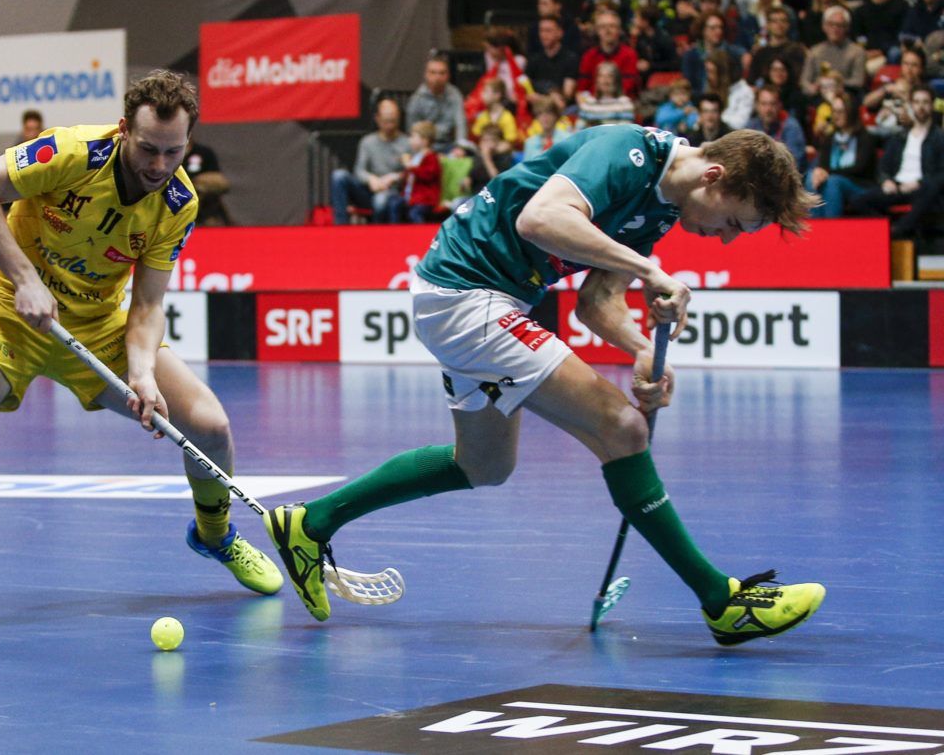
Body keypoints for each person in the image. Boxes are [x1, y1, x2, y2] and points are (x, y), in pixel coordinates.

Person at [263, 124, 827, 649]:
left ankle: (310, 523)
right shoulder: (627, 153)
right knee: (622, 426)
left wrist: (641, 351)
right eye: (735, 222)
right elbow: (541, 219)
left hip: (481, 299)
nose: (727, 240)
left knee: (483, 465)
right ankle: (721, 602)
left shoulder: (663, 209)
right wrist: (652, 272)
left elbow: (597, 302)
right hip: (468, 294)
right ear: (714, 178)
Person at [0, 70, 283, 631]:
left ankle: (213, 534)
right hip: (8, 312)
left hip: (94, 328)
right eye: (147, 149)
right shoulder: (70, 153)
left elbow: (145, 306)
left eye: (173, 151)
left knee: (210, 424)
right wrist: (23, 276)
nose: (159, 165)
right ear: (123, 131)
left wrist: (142, 373)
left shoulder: (177, 201)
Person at [849, 85, 944, 237]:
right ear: (911, 105)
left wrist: (918, 183)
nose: (921, 107)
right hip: (897, 186)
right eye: (917, 102)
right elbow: (884, 166)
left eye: (925, 102)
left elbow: (941, 174)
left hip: (922, 189)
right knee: (858, 200)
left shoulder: (939, 138)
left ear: (932, 105)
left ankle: (898, 230)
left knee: (931, 189)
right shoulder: (899, 137)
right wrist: (886, 180)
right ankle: (889, 228)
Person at [330, 98, 411, 224]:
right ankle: (340, 228)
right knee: (338, 176)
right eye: (386, 121)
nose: (390, 126)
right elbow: (359, 170)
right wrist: (370, 179)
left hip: (392, 192)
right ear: (377, 118)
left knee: (380, 201)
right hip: (368, 190)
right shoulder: (368, 142)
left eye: (393, 121)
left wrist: (395, 177)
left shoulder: (407, 143)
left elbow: (414, 172)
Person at [806, 90, 878, 217]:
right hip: (833, 181)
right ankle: (814, 229)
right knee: (812, 176)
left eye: (840, 112)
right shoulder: (830, 138)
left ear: (850, 113)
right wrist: (819, 172)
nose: (836, 116)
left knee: (833, 181)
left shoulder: (865, 137)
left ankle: (831, 230)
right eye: (834, 111)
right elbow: (823, 165)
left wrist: (827, 173)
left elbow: (859, 168)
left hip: (859, 185)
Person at [407, 52, 472, 156]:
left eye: (442, 73)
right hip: (425, 146)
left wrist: (460, 147)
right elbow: (412, 129)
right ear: (426, 74)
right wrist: (424, 150)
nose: (437, 77)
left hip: (448, 145)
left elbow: (461, 123)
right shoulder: (417, 98)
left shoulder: (454, 94)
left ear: (448, 75)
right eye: (433, 72)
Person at [852, 0, 909, 70]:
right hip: (867, 52)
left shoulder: (901, 6)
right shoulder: (862, 9)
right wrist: (865, 51)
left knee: (895, 52)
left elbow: (902, 36)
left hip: (891, 52)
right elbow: (858, 36)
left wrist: (881, 51)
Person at [800, 6, 867, 99]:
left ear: (847, 27)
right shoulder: (814, 51)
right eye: (831, 24)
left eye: (839, 25)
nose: (835, 29)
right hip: (818, 96)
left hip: (845, 96)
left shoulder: (857, 52)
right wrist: (811, 89)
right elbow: (804, 81)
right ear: (824, 26)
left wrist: (832, 83)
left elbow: (858, 81)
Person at [578, 9, 640, 99]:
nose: (607, 30)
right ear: (597, 31)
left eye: (612, 26)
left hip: (621, 104)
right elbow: (582, 89)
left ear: (619, 30)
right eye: (603, 27)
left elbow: (627, 87)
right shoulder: (589, 55)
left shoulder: (630, 55)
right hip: (593, 103)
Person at [748, 82, 809, 171]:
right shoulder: (751, 126)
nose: (768, 109)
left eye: (772, 104)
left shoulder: (791, 127)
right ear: (757, 106)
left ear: (780, 105)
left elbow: (794, 164)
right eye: (763, 104)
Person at [747, 6, 809, 85]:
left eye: (783, 21)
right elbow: (752, 81)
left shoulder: (797, 51)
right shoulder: (761, 54)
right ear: (768, 25)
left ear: (788, 24)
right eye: (775, 21)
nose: (779, 24)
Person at [526, 16, 581, 106]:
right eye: (541, 30)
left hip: (561, 109)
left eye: (548, 31)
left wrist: (542, 98)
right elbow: (525, 89)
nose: (544, 35)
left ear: (560, 33)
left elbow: (567, 95)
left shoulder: (570, 59)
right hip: (536, 109)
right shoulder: (534, 59)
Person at [399, 121, 445, 223]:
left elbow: (427, 175)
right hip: (411, 198)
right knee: (394, 205)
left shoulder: (431, 157)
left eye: (413, 137)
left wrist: (411, 166)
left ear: (424, 141)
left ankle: (419, 234)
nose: (410, 140)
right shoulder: (415, 157)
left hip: (425, 200)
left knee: (415, 213)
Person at [184, 138, 234, 226]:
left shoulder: (203, 152)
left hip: (202, 204)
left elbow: (217, 180)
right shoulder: (166, 154)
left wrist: (196, 186)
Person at [461, 123, 516, 203]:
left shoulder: (504, 157)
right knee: (457, 203)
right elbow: (469, 179)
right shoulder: (478, 156)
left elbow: (498, 182)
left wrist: (487, 157)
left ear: (499, 141)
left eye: (491, 140)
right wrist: (465, 184)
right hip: (476, 196)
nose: (487, 144)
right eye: (484, 140)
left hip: (494, 197)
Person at [577, 61, 636, 127]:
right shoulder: (588, 103)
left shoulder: (625, 103)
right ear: (596, 80)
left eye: (609, 76)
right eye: (601, 76)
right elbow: (579, 129)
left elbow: (624, 132)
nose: (605, 80)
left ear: (616, 80)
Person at [470, 78, 520, 150]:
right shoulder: (483, 116)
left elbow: (510, 142)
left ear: (497, 95)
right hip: (483, 150)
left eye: (486, 91)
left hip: (501, 155)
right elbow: (476, 136)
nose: (482, 94)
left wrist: (494, 149)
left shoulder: (507, 117)